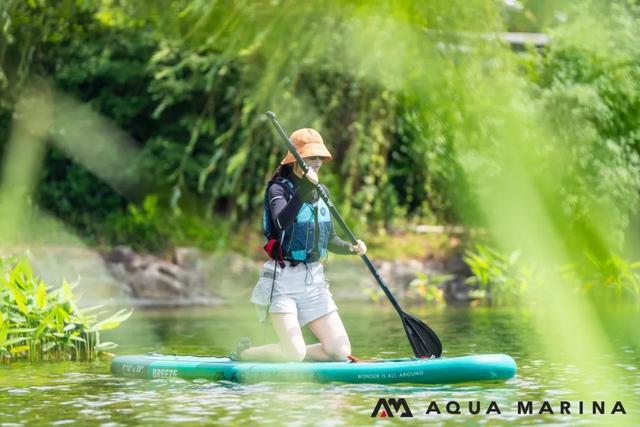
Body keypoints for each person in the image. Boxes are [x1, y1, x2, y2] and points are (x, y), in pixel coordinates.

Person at [233, 128, 366, 362]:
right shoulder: (277, 189)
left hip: (314, 281)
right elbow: (281, 222)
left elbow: (329, 238)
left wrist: (351, 247)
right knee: (294, 354)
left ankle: (293, 351)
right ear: (296, 160)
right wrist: (304, 188)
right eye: (309, 158)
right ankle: (246, 353)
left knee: (340, 352)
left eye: (318, 158)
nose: (315, 163)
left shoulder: (321, 191)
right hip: (282, 280)